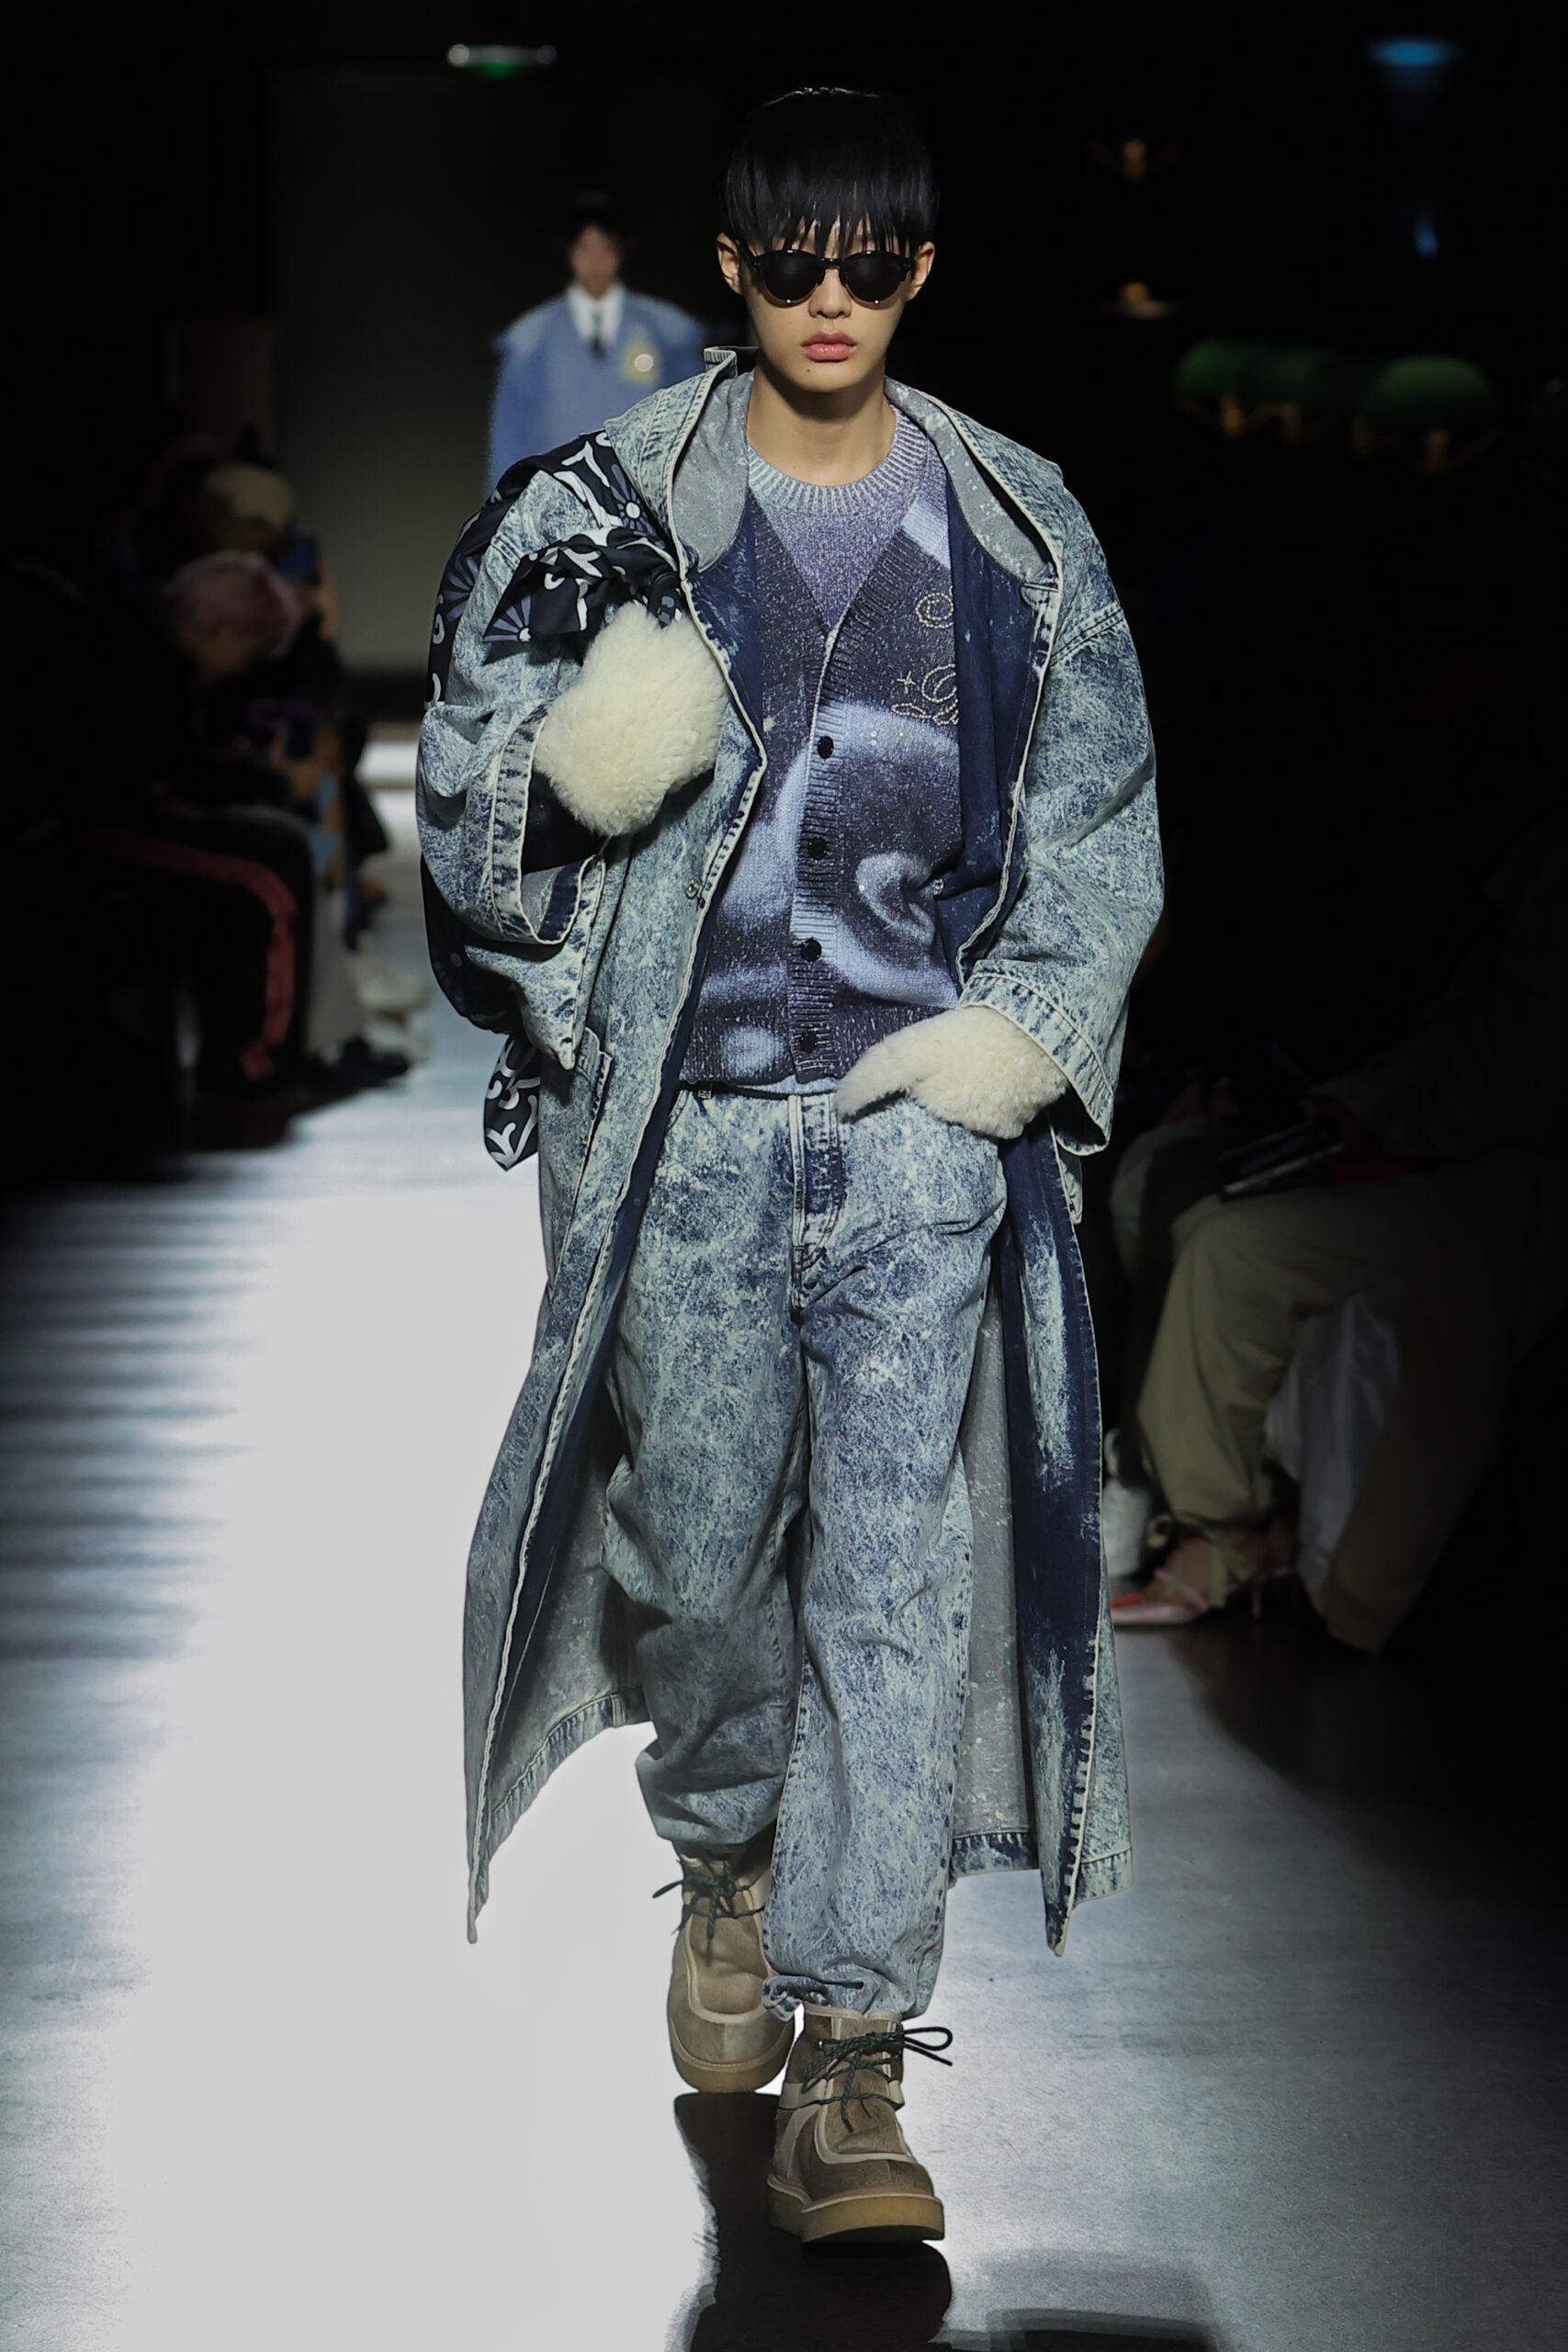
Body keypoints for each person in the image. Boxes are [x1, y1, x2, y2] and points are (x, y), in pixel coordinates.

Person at [420, 88, 1160, 2245]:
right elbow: (470, 811)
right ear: (731, 268)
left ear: (919, 270)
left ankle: (853, 2053)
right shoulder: (601, 510)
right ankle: (729, 1851)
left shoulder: (1015, 524)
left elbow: (1095, 820)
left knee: (892, 1584)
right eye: (790, 262)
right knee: (701, 1571)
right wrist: (585, 772)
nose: (830, 299)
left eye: (870, 262)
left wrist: (1004, 1051)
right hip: (682, 1145)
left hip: (915, 1142)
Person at [1113, 808, 1568, 1645]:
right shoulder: (1517, 871)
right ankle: (1217, 1523)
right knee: (1202, 1224)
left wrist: (1365, 1110)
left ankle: (1240, 1538)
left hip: (1502, 1183)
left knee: (1222, 1234)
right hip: (1418, 1148)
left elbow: (1517, 1077)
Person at [487, 191, 707, 490]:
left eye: (605, 247)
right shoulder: (531, 340)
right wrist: (504, 506)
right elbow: (509, 439)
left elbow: (691, 427)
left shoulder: (667, 333)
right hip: (557, 494)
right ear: (568, 251)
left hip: (642, 495)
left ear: (622, 250)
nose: (595, 260)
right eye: (584, 248)